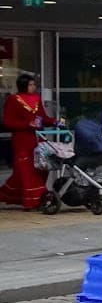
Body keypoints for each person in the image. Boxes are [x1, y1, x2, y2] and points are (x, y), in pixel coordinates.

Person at [0, 73, 58, 210]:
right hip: (21, 140)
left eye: (34, 84)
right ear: (23, 85)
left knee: (39, 167)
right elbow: (8, 121)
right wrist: (27, 125)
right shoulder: (14, 100)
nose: (33, 87)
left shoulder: (36, 99)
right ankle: (35, 200)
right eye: (30, 84)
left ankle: (11, 195)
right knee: (26, 170)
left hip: (37, 140)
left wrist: (55, 122)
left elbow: (43, 117)